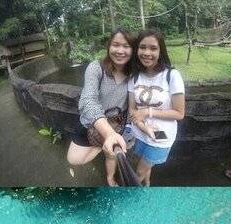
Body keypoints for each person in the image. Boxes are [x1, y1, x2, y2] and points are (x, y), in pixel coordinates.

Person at [67, 29, 135, 187]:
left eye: (126, 46)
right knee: (74, 159)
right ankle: (102, 147)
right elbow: (88, 100)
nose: (120, 51)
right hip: (92, 123)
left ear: (133, 50)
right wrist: (108, 134)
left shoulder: (134, 74)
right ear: (108, 46)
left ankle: (110, 178)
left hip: (117, 124)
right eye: (115, 45)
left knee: (111, 154)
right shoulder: (96, 68)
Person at [127, 29, 185, 186]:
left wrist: (147, 111)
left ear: (161, 51)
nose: (147, 53)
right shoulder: (134, 76)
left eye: (153, 48)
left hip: (161, 134)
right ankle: (147, 184)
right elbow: (132, 110)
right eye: (142, 47)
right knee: (144, 165)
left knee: (139, 171)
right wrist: (143, 127)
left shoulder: (172, 76)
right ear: (137, 50)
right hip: (140, 131)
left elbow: (179, 113)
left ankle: (128, 196)